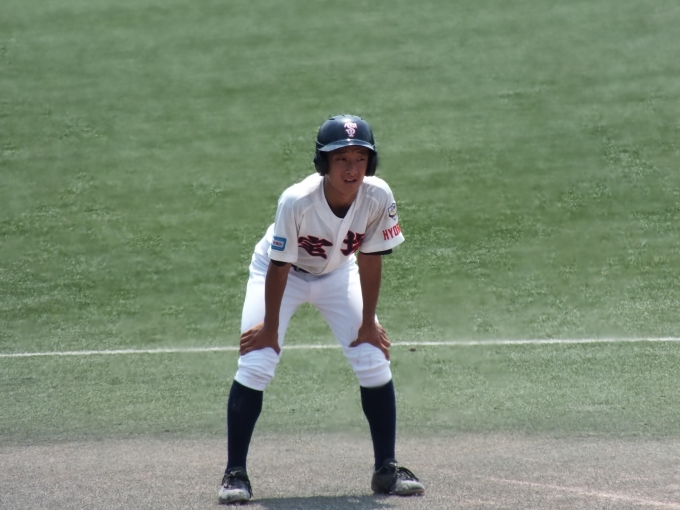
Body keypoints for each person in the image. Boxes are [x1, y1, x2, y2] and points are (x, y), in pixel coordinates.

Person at [218, 114, 425, 504]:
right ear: (323, 162)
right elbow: (280, 266)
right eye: (341, 158)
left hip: (338, 273)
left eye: (360, 158)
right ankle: (235, 474)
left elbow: (371, 259)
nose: (352, 168)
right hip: (281, 273)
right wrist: (270, 328)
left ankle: (386, 469)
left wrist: (367, 323)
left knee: (372, 356)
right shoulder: (296, 200)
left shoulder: (378, 195)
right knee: (257, 360)